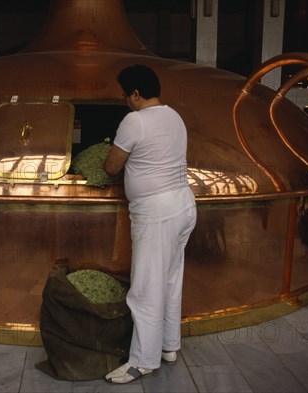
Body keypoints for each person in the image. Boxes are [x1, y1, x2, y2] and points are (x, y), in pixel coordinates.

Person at [103, 64, 197, 384]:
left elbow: (112, 166)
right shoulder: (174, 116)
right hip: (183, 204)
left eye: (125, 95)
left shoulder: (135, 120)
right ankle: (169, 346)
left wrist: (109, 151)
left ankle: (141, 361)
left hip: (156, 213)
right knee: (170, 279)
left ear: (136, 94)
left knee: (145, 288)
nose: (125, 101)